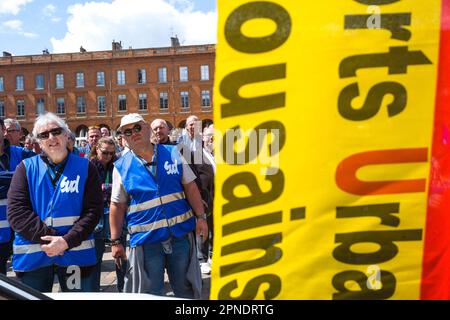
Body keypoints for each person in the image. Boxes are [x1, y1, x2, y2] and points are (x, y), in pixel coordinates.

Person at [109, 113, 208, 298]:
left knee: (184, 289)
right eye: (128, 131)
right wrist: (115, 242)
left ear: (147, 128)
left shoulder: (173, 152)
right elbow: (117, 206)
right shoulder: (121, 166)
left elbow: (191, 187)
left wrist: (201, 218)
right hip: (147, 240)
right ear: (123, 137)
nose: (134, 133)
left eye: (138, 127)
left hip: (180, 235)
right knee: (151, 294)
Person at [7, 112, 103, 292]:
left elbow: (93, 210)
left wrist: (65, 242)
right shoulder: (25, 169)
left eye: (56, 131)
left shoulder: (85, 167)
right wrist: (51, 241)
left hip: (75, 254)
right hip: (34, 257)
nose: (51, 138)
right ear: (38, 142)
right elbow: (16, 213)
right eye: (44, 135)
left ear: (66, 134)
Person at [89, 136, 127, 292]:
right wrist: (108, 189)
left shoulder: (117, 165)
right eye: (105, 153)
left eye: (112, 153)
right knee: (95, 257)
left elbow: (122, 190)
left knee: (120, 254)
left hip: (116, 214)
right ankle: (94, 290)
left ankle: (123, 289)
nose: (108, 157)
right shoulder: (89, 166)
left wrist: (105, 189)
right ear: (97, 149)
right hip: (96, 216)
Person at [0, 119, 35, 275]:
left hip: (22, 224)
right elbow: (26, 178)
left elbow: (38, 171)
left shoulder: (21, 153)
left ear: (3, 130)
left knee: (26, 276)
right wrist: (19, 178)